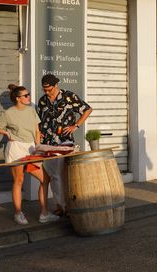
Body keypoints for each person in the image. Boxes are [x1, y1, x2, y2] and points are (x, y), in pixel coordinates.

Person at [0, 84, 59, 225]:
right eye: (26, 95)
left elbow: (37, 130)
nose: (29, 97)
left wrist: (38, 147)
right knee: (19, 180)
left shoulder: (31, 110)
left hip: (31, 148)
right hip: (16, 149)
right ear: (17, 98)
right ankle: (18, 213)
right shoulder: (8, 113)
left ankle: (44, 213)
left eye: (28, 95)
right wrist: (7, 133)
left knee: (45, 179)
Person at [37, 74, 92, 216]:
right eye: (44, 90)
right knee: (54, 175)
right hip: (48, 143)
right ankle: (60, 206)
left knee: (60, 174)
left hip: (64, 141)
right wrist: (40, 133)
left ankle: (66, 206)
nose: (47, 92)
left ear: (56, 85)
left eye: (49, 89)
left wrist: (76, 125)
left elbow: (87, 109)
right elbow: (39, 120)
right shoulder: (42, 101)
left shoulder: (69, 96)